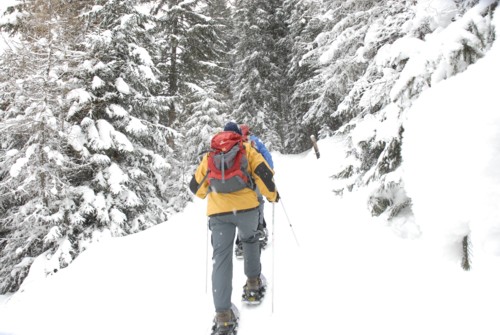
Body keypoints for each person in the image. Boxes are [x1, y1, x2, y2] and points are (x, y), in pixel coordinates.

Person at [189, 122, 279, 335]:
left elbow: (196, 188)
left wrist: (213, 192)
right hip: (247, 210)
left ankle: (223, 315)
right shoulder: (248, 149)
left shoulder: (210, 156)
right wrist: (273, 195)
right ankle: (254, 284)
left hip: (218, 214)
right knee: (249, 241)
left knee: (221, 257)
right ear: (239, 137)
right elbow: (265, 176)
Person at [234, 124, 274, 258]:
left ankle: (240, 242)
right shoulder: (255, 142)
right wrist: (270, 175)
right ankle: (260, 231)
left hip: (238, 183)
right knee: (258, 204)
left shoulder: (234, 145)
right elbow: (267, 158)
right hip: (254, 181)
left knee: (241, 209)